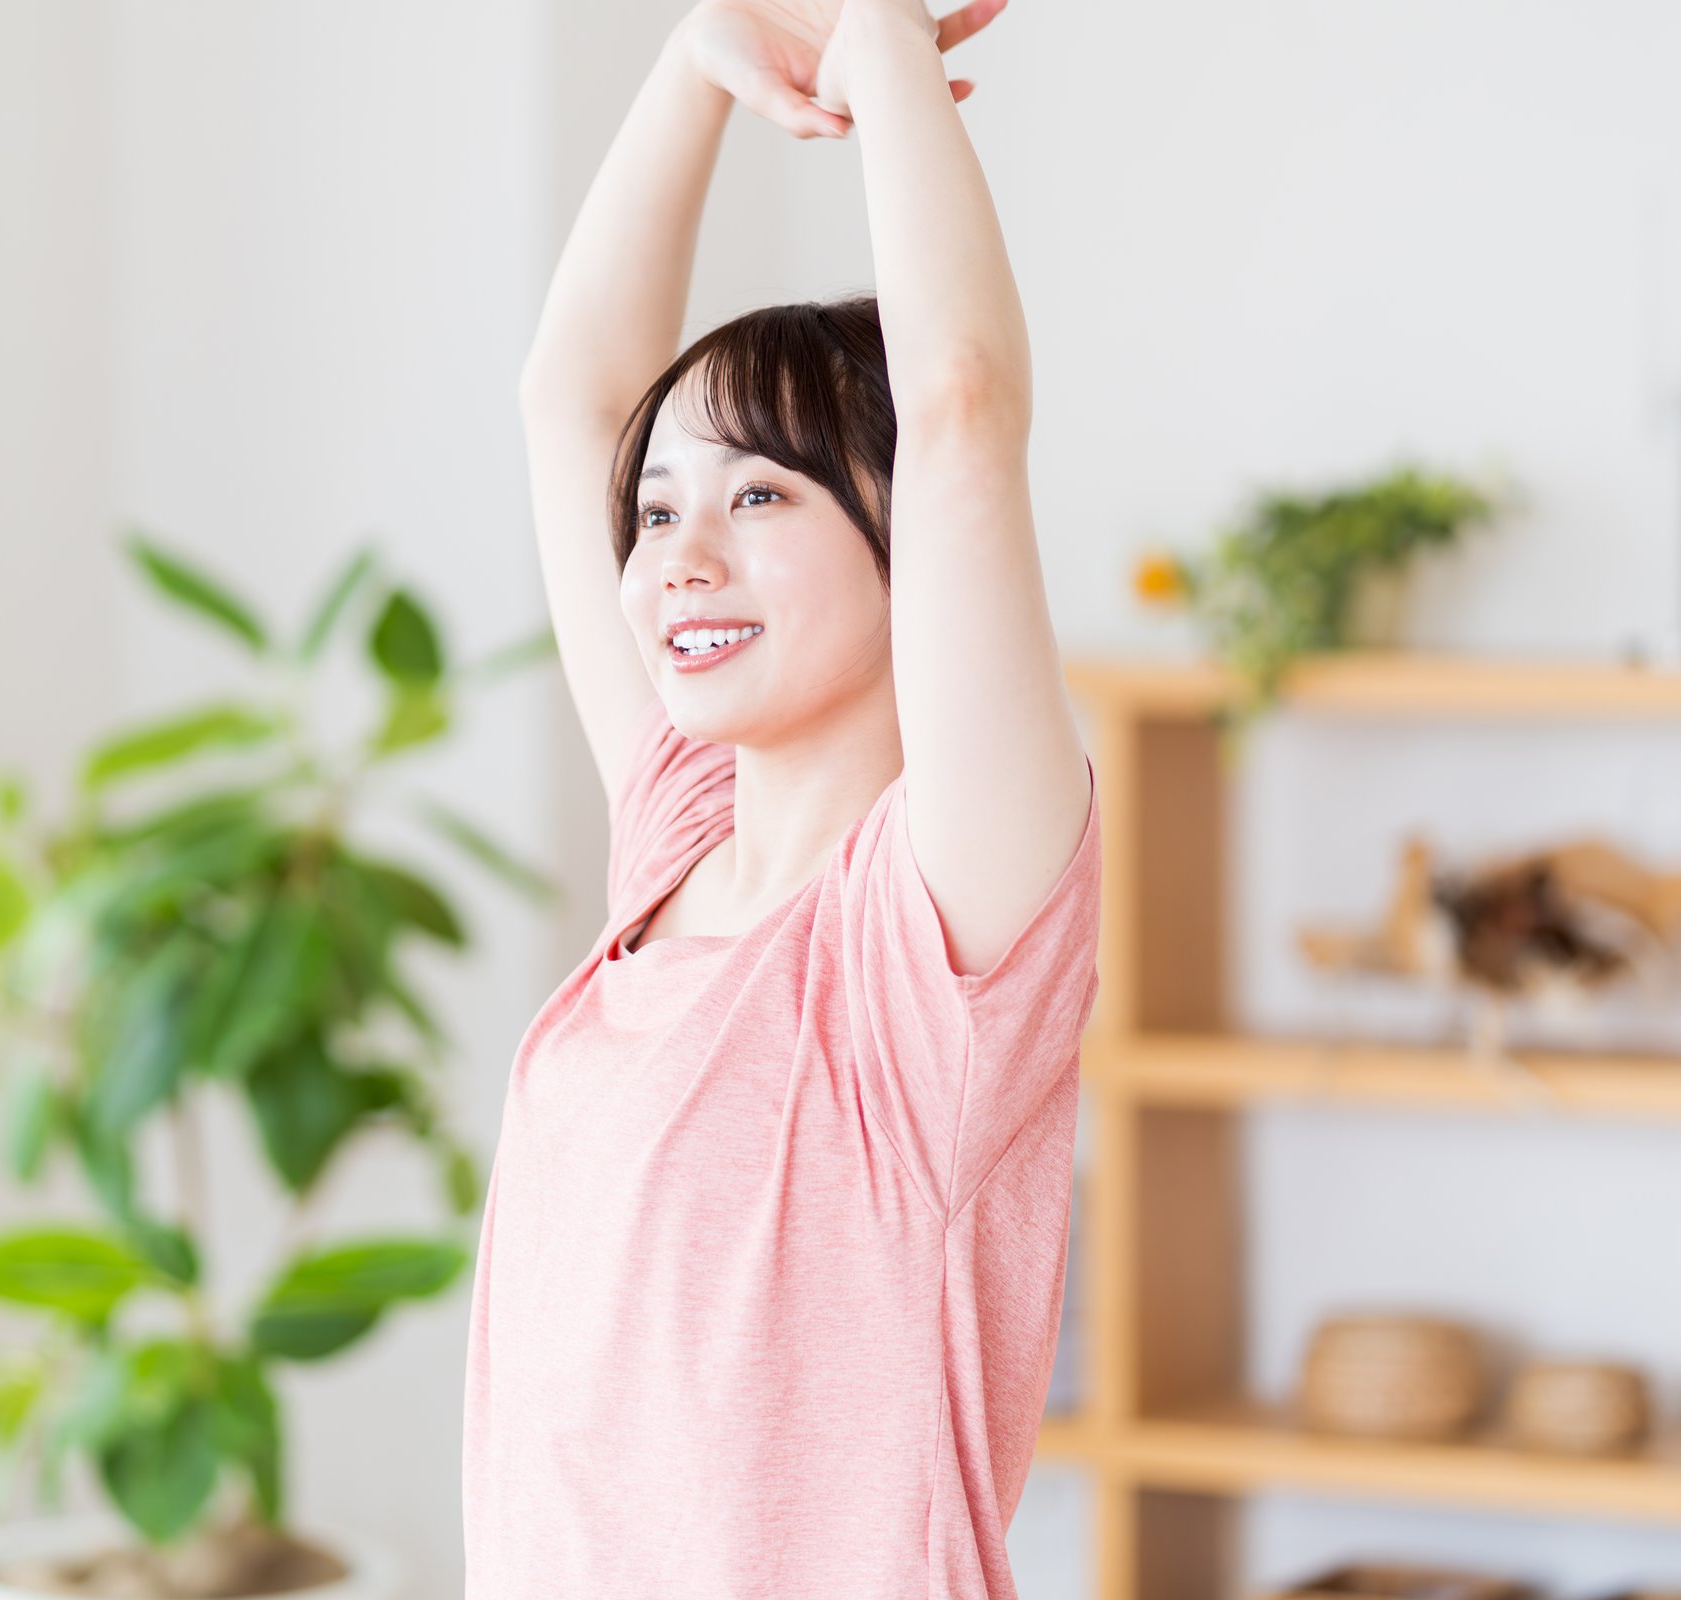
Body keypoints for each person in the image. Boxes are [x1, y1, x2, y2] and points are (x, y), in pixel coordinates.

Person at [461, 0, 1103, 1593]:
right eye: (662, 505)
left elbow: (959, 411)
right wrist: (700, 59)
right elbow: (570, 397)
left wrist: (881, 50)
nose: (679, 555)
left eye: (760, 494)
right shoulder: (677, 844)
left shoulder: (930, 940)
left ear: (906, 548)